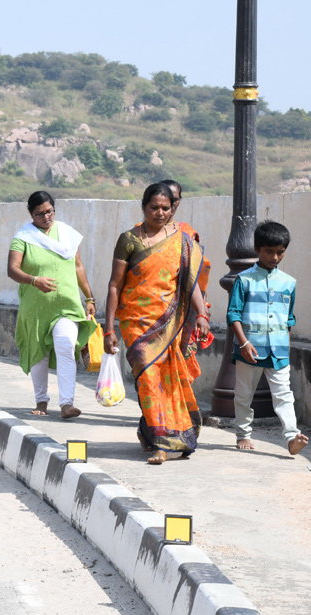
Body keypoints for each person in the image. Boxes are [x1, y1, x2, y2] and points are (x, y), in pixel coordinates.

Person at [104, 183, 211, 465]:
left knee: (165, 381)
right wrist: (108, 328)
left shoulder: (184, 241)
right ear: (143, 206)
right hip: (135, 322)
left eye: (166, 207)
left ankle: (148, 430)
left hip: (171, 320)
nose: (160, 213)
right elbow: (114, 285)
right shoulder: (129, 239)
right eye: (154, 207)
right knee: (148, 376)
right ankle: (162, 444)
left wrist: (201, 315)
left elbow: (191, 285)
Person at [7, 192, 99, 420]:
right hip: (36, 307)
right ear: (31, 214)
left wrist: (89, 298)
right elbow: (12, 269)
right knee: (39, 353)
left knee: (66, 344)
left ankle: (67, 403)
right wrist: (34, 280)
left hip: (67, 304)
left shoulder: (67, 234)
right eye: (40, 214)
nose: (46, 217)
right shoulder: (23, 238)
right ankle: (41, 400)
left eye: (49, 211)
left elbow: (78, 267)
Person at [227, 221, 308, 455]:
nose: (275, 257)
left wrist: (286, 346)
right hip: (249, 348)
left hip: (279, 351)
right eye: (269, 251)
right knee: (244, 394)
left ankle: (291, 436)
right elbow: (233, 314)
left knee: (284, 394)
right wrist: (243, 343)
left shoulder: (289, 283)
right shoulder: (244, 280)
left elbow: (289, 319)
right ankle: (243, 433)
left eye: (280, 252)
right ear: (257, 249)